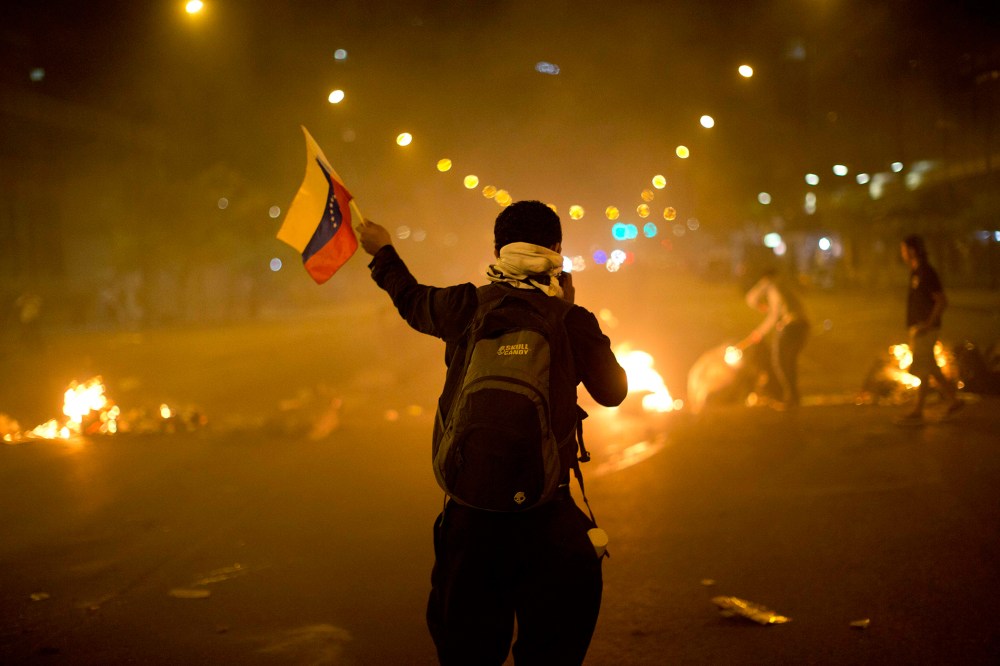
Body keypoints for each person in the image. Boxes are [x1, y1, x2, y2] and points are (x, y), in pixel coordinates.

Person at [357, 200, 628, 665]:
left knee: (467, 653)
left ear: (498, 249)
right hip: (547, 515)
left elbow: (410, 298)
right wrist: (572, 313)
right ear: (556, 250)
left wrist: (382, 252)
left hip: (471, 520)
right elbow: (613, 392)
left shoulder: (466, 305)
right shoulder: (568, 319)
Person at [896, 234, 962, 426]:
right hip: (919, 329)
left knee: (923, 369)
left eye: (903, 249)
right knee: (930, 368)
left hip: (926, 329)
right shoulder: (916, 272)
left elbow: (942, 301)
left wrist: (927, 324)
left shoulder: (926, 272)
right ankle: (953, 400)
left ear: (913, 250)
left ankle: (918, 410)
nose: (902, 253)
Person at [735, 268, 810, 408]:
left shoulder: (772, 286)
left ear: (766, 278)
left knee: (780, 361)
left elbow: (753, 299)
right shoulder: (784, 285)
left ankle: (790, 396)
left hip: (792, 327)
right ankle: (793, 397)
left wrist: (760, 332)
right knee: (789, 362)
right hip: (803, 326)